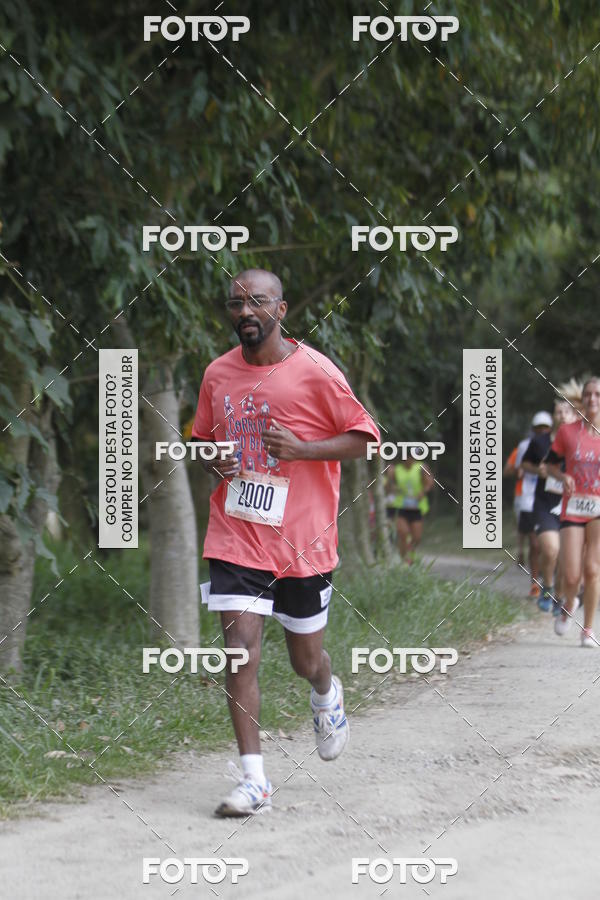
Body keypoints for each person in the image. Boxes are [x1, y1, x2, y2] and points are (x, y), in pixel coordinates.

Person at [191, 268, 380, 816]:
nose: (245, 312)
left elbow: (367, 440)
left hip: (303, 544)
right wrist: (213, 459)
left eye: (257, 302)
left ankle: (325, 691)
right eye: (235, 304)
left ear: (282, 308)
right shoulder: (217, 374)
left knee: (305, 659)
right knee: (240, 653)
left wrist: (302, 450)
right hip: (236, 537)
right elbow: (203, 441)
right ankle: (254, 782)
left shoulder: (315, 371)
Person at [547, 377, 600, 647]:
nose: (592, 399)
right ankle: (570, 602)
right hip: (573, 507)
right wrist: (563, 476)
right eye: (589, 394)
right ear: (584, 399)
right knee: (571, 575)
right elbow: (550, 466)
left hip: (598, 509)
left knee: (592, 570)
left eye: (597, 395)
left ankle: (587, 629)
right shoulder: (567, 433)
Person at [385, 457, 434, 563]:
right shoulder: (395, 469)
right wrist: (390, 479)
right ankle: (404, 560)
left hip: (416, 507)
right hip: (399, 506)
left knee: (416, 538)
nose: (410, 459)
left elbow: (430, 483)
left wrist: (423, 491)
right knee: (403, 533)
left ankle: (410, 555)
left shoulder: (421, 467)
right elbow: (387, 489)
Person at [503, 444, 526, 566]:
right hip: (521, 493)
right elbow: (506, 471)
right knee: (521, 526)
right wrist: (518, 469)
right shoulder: (519, 451)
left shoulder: (549, 447)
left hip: (543, 496)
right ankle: (520, 551)